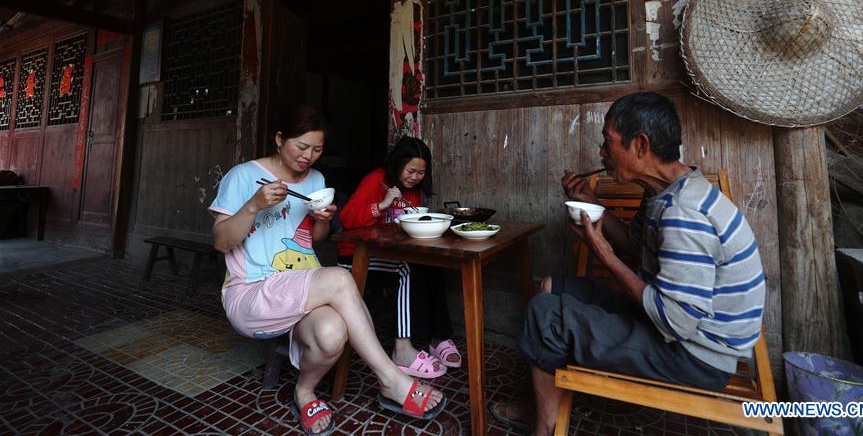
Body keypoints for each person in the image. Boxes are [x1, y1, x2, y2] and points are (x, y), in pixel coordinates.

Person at [491, 92, 766, 435]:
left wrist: (603, 253)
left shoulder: (685, 213)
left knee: (545, 315)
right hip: (675, 330)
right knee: (551, 286)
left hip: (695, 356)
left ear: (640, 144)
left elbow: (675, 321)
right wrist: (590, 203)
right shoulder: (665, 193)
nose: (601, 152)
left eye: (608, 142)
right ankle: (542, 404)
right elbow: (635, 248)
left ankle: (543, 428)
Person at [209, 106, 446, 436]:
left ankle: (304, 392)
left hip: (302, 288)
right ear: (279, 139)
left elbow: (314, 240)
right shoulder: (243, 176)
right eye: (301, 147)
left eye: (317, 149)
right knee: (339, 277)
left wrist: (321, 221)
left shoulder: (317, 180)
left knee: (332, 333)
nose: (308, 156)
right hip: (252, 291)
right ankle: (391, 379)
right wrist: (253, 206)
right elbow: (221, 242)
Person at [338, 136, 460, 379]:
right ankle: (402, 349)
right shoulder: (377, 180)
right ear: (397, 164)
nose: (415, 177)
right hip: (356, 256)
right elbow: (347, 218)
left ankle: (438, 337)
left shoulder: (411, 191)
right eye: (411, 170)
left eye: (421, 172)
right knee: (405, 268)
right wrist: (382, 205)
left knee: (433, 263)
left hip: (387, 252)